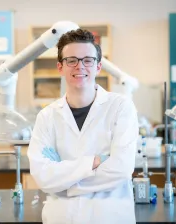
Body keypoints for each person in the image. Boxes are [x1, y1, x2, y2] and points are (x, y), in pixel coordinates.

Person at [27, 28, 139, 224]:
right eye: (72, 60)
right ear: (60, 67)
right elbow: (43, 176)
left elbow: (121, 169)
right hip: (61, 219)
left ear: (98, 66)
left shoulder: (121, 107)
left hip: (109, 218)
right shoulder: (47, 116)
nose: (80, 66)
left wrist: (65, 183)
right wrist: (93, 162)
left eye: (87, 60)